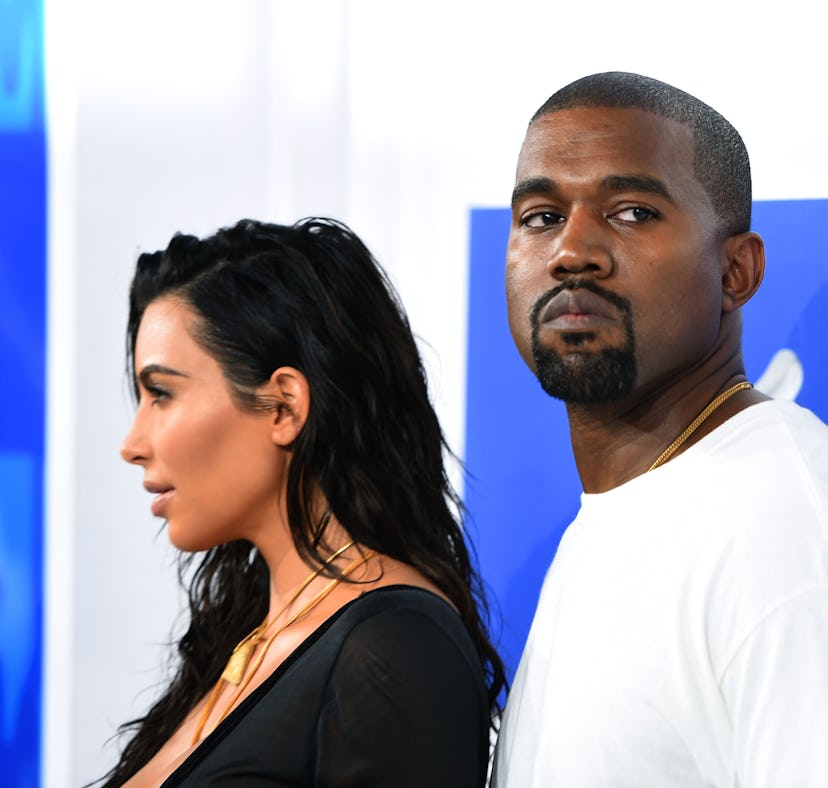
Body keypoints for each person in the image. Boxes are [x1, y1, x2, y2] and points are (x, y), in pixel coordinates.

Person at [491, 72, 828, 787]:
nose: (571, 251)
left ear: (736, 271)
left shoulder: (788, 522)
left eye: (633, 212)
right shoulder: (627, 505)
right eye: (541, 217)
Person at [99, 217, 506, 786]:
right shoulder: (250, 636)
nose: (132, 445)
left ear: (284, 406)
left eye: (161, 394)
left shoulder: (393, 647)